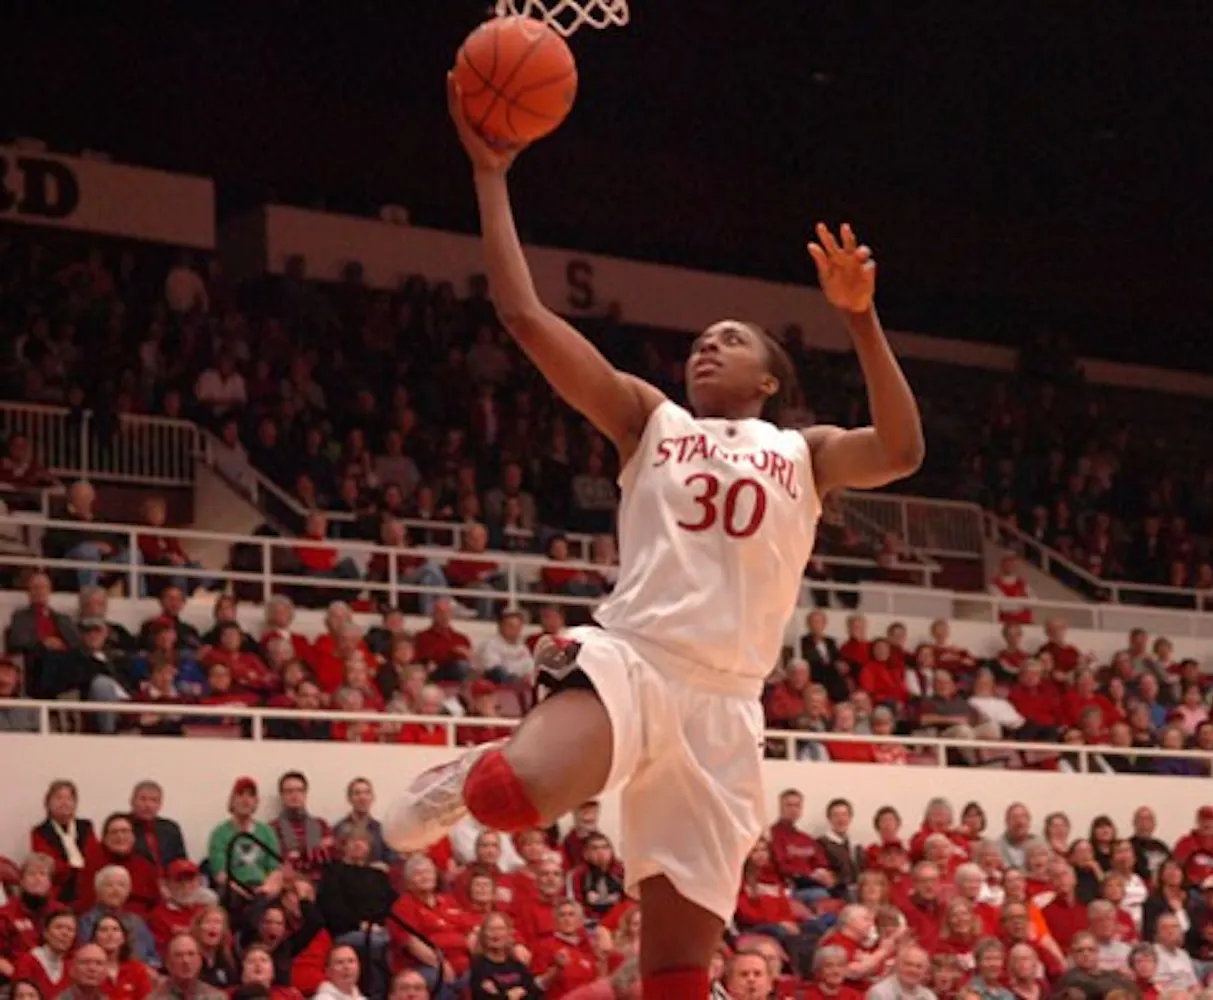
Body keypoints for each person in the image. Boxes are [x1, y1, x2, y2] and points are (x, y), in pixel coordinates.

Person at [385, 70, 925, 1000]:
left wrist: (862, 320)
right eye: (700, 339)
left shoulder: (806, 451)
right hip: (633, 662)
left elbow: (906, 451)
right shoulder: (651, 420)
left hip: (727, 708)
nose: (707, 345)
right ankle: (477, 768)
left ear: (769, 380)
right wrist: (490, 175)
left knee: (676, 974)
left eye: (733, 338)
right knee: (518, 799)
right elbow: (524, 317)